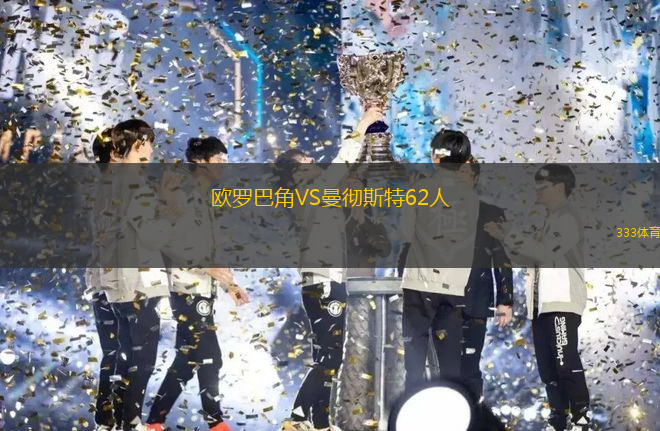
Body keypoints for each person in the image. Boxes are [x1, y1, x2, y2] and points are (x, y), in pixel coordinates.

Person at [275, 107, 383, 431]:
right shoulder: (310, 191)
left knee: (327, 354)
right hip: (326, 284)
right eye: (306, 162)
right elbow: (342, 161)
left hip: (319, 283)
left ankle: (320, 422)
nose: (313, 162)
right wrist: (363, 123)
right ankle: (297, 417)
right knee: (330, 358)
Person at [145, 137, 250, 431]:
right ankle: (215, 422)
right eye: (219, 161)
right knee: (211, 357)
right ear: (199, 162)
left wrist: (231, 285)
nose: (223, 167)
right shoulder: (180, 194)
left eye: (226, 162)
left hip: (203, 289)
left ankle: (154, 422)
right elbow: (167, 244)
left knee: (188, 359)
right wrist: (206, 268)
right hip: (186, 288)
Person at [484, 164, 590, 431]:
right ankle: (558, 419)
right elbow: (531, 257)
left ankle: (581, 417)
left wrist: (510, 235)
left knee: (565, 362)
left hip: (561, 304)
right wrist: (504, 239)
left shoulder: (568, 218)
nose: (537, 190)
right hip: (540, 307)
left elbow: (545, 251)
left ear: (559, 187)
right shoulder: (549, 220)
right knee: (548, 370)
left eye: (542, 185)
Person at [102, 119, 183, 430]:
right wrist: (168, 215)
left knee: (126, 358)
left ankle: (120, 420)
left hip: (119, 285)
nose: (150, 152)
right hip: (140, 285)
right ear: (127, 149)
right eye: (144, 147)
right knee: (143, 361)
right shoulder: (136, 185)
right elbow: (152, 236)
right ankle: (131, 421)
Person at [399, 130, 479, 391]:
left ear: (436, 157)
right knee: (450, 363)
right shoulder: (471, 196)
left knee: (415, 362)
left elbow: (405, 233)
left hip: (420, 284)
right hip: (454, 287)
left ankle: (414, 412)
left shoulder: (420, 189)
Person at [455, 159, 514, 408]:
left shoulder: (491, 213)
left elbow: (502, 259)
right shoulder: (436, 210)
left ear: (475, 178)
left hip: (476, 300)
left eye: (465, 172)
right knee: (444, 365)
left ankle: (473, 415)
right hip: (440, 300)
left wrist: (505, 300)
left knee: (470, 363)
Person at [85, 127, 123, 430]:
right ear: (114, 153)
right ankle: (113, 418)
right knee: (120, 352)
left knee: (118, 352)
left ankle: (110, 418)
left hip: (108, 283)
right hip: (112, 285)